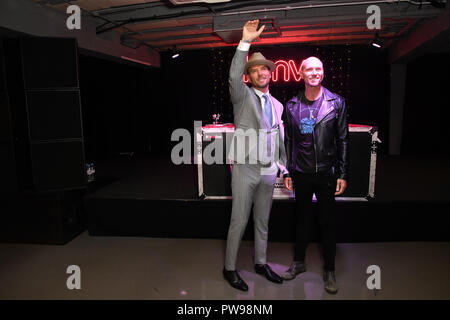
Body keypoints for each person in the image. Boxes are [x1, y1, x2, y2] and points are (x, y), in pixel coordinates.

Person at [222, 20, 289, 291]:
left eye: (265, 68)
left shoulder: (278, 105)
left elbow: (279, 138)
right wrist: (245, 42)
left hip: (267, 169)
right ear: (248, 76)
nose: (261, 72)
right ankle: (229, 269)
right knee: (240, 220)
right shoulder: (242, 96)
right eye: (255, 70)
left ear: (270, 73)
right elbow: (233, 75)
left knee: (263, 220)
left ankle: (261, 263)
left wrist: (283, 167)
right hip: (244, 169)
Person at [282, 56, 349, 294]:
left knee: (327, 223)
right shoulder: (291, 106)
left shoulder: (337, 103)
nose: (314, 72)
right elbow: (289, 141)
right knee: (301, 221)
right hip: (301, 172)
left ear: (323, 72)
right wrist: (288, 170)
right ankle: (298, 263)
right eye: (309, 69)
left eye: (318, 68)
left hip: (326, 174)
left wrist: (341, 172)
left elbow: (342, 139)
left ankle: (329, 270)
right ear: (301, 74)